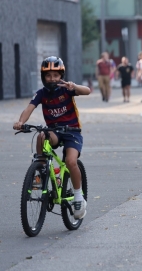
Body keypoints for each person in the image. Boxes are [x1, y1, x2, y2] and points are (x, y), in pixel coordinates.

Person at [13, 56, 91, 218]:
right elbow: (29, 108)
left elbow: (87, 91)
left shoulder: (67, 89)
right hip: (54, 131)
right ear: (43, 77)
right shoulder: (41, 93)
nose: (52, 79)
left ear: (61, 76)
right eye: (48, 76)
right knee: (41, 135)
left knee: (70, 162)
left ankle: (78, 196)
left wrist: (74, 86)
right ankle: (40, 169)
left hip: (72, 131)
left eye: (56, 75)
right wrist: (21, 121)